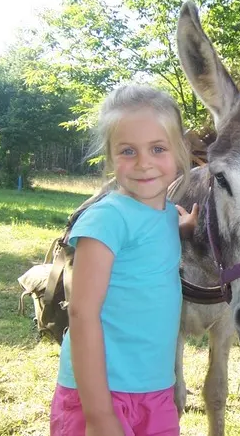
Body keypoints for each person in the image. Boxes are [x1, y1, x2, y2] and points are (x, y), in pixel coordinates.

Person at [50, 84, 198, 436]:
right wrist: (100, 416)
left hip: (155, 390)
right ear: (110, 157)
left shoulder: (165, 218)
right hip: (101, 394)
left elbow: (145, 248)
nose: (144, 163)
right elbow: (82, 314)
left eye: (157, 149)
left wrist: (184, 228)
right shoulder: (107, 219)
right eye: (128, 151)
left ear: (179, 152)